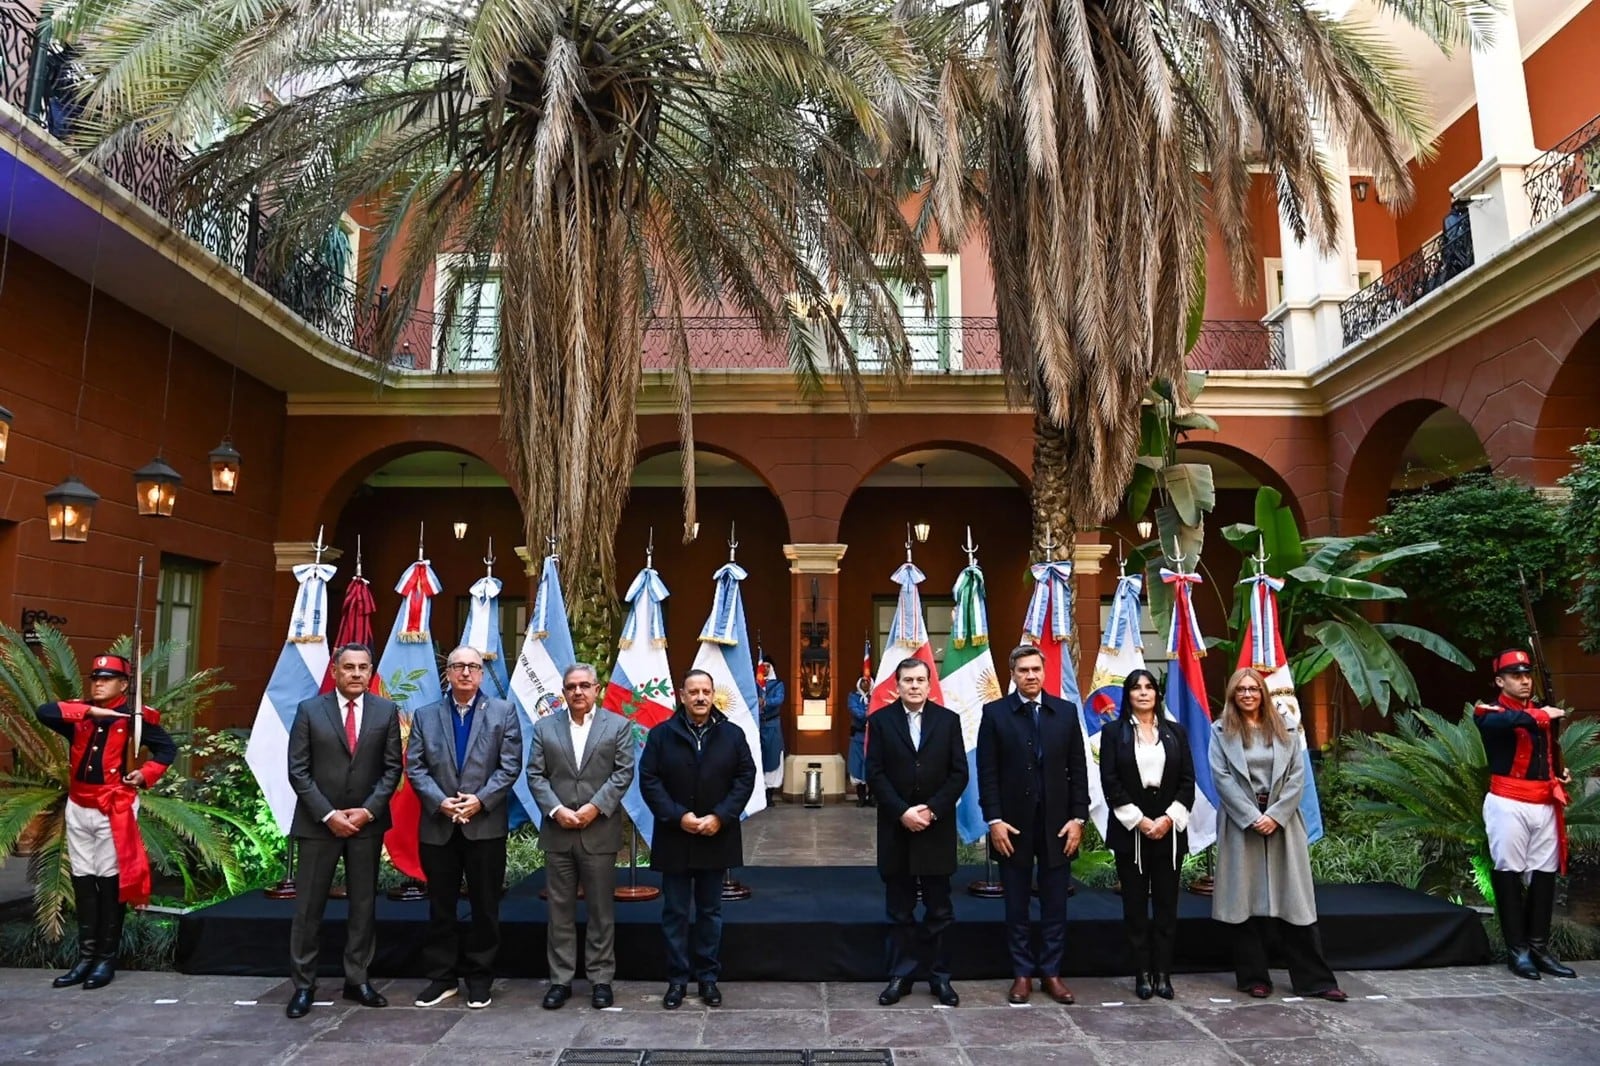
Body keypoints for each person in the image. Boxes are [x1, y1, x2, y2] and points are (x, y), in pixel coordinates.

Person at [37, 653, 177, 990]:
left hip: (113, 805)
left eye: (107, 678)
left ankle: (105, 960)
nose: (98, 683)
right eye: (95, 678)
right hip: (79, 804)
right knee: (84, 880)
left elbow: (167, 750)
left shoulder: (136, 720)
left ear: (124, 684)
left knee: (110, 881)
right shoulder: (79, 715)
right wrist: (91, 711)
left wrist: (144, 774)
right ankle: (85, 958)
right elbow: (44, 711)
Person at [1210, 667, 1346, 1002]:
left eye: (1253, 689)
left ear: (1263, 693)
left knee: (1295, 902)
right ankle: (1254, 978)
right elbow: (1221, 777)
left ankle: (1315, 981)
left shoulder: (1286, 728)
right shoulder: (1220, 731)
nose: (1247, 695)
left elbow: (1298, 777)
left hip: (1282, 823)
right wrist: (1252, 816)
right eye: (1240, 690)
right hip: (1243, 823)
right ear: (1232, 694)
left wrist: (1276, 815)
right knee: (1245, 902)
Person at [285, 642, 403, 1018]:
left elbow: (391, 769)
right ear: (335, 671)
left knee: (363, 906)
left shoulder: (386, 711)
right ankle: (304, 985)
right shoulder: (309, 710)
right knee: (309, 909)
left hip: (366, 825)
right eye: (348, 667)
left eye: (362, 667)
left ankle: (358, 980)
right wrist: (328, 814)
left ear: (371, 672)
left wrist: (367, 811)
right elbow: (297, 770)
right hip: (319, 825)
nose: (355, 673)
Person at [405, 645, 524, 1010]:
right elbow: (415, 766)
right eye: (459, 666)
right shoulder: (425, 716)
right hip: (439, 823)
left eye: (473, 666)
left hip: (483, 824)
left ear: (482, 674)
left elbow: (510, 766)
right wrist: (440, 801)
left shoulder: (503, 712)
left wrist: (479, 801)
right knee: (441, 906)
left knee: (485, 905)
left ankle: (480, 978)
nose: (466, 673)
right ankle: (442, 978)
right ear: (448, 673)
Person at [976, 644, 1089, 1005]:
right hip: (1012, 826)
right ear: (1013, 674)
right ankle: (1022, 974)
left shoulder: (1066, 712)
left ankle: (1052, 973)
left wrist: (1078, 818)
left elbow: (1079, 771)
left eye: (1036, 670)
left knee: (1056, 904)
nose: (1030, 676)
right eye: (1023, 670)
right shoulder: (995, 714)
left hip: (1058, 825)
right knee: (1017, 906)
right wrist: (994, 820)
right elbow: (987, 772)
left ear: (1044, 672)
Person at [640, 668, 756, 1010]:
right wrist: (679, 817)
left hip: (716, 836)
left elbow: (745, 778)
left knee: (710, 911)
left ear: (713, 695)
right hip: (676, 837)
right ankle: (677, 981)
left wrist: (721, 815)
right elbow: (649, 780)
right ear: (682, 695)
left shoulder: (732, 735)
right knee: (675, 912)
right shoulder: (661, 735)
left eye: (706, 691)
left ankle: (708, 979)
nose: (700, 697)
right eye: (694, 692)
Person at [528, 662, 637, 1009]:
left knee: (601, 911)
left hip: (598, 830)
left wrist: (594, 808)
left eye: (585, 686)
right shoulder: (545, 728)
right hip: (558, 831)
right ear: (563, 692)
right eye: (571, 686)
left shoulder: (617, 726)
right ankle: (560, 981)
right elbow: (535, 775)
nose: (578, 691)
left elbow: (623, 773)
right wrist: (557, 810)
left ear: (597, 690)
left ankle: (601, 979)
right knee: (559, 912)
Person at [867, 657, 967, 1007]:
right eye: (907, 680)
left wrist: (932, 809)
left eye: (920, 680)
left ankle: (940, 979)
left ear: (929, 685)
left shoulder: (948, 721)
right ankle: (901, 976)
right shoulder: (880, 722)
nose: (914, 686)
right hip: (897, 830)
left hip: (936, 830)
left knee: (940, 910)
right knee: (900, 910)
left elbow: (959, 774)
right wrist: (903, 812)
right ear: (897, 685)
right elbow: (874, 773)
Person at [1475, 648, 1576, 980]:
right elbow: (1508, 721)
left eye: (1527, 675)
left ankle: (1539, 949)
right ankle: (1517, 951)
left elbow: (1545, 751)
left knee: (1544, 874)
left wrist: (1558, 772)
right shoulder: (1488, 711)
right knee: (1508, 871)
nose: (1524, 681)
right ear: (1499, 681)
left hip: (1544, 801)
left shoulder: (1539, 712)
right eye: (1516, 676)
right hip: (1508, 802)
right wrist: (1544, 715)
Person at [1100, 668, 1194, 1000]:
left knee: (1167, 906)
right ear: (1127, 695)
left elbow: (1187, 781)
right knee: (1135, 907)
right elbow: (1110, 782)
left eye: (1149, 687)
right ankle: (1141, 974)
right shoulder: (1113, 733)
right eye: (1136, 688)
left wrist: (1167, 820)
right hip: (1132, 833)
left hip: (1168, 832)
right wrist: (1139, 821)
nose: (1143, 693)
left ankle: (1163, 974)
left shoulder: (1176, 733)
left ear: (1157, 693)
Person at [757, 656, 787, 804]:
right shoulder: (755, 684)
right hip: (757, 725)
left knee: (773, 757)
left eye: (768, 666)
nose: (765, 669)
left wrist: (766, 702)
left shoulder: (778, 685)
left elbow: (779, 699)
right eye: (764, 666)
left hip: (772, 725)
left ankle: (769, 794)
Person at [849, 675, 872, 806]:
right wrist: (869, 714)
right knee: (857, 766)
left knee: (873, 766)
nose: (865, 684)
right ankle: (861, 797)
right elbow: (856, 712)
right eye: (863, 681)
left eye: (868, 681)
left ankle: (872, 796)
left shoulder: (876, 696)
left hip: (873, 738)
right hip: (858, 736)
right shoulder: (853, 697)